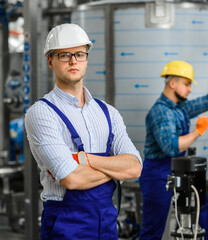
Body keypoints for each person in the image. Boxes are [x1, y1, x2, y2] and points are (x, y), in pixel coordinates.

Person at [24, 23, 142, 240]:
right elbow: (72, 179)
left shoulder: (108, 112)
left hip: (107, 223)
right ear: (50, 61)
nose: (73, 61)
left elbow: (134, 167)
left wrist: (83, 159)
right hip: (66, 226)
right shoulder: (41, 113)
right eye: (64, 55)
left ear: (86, 58)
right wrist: (115, 168)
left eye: (79, 54)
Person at [139, 60, 208, 240]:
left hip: (177, 170)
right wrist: (198, 132)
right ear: (173, 83)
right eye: (187, 84)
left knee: (201, 205)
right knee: (153, 229)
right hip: (157, 174)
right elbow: (171, 147)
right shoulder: (160, 111)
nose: (190, 89)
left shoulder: (180, 108)